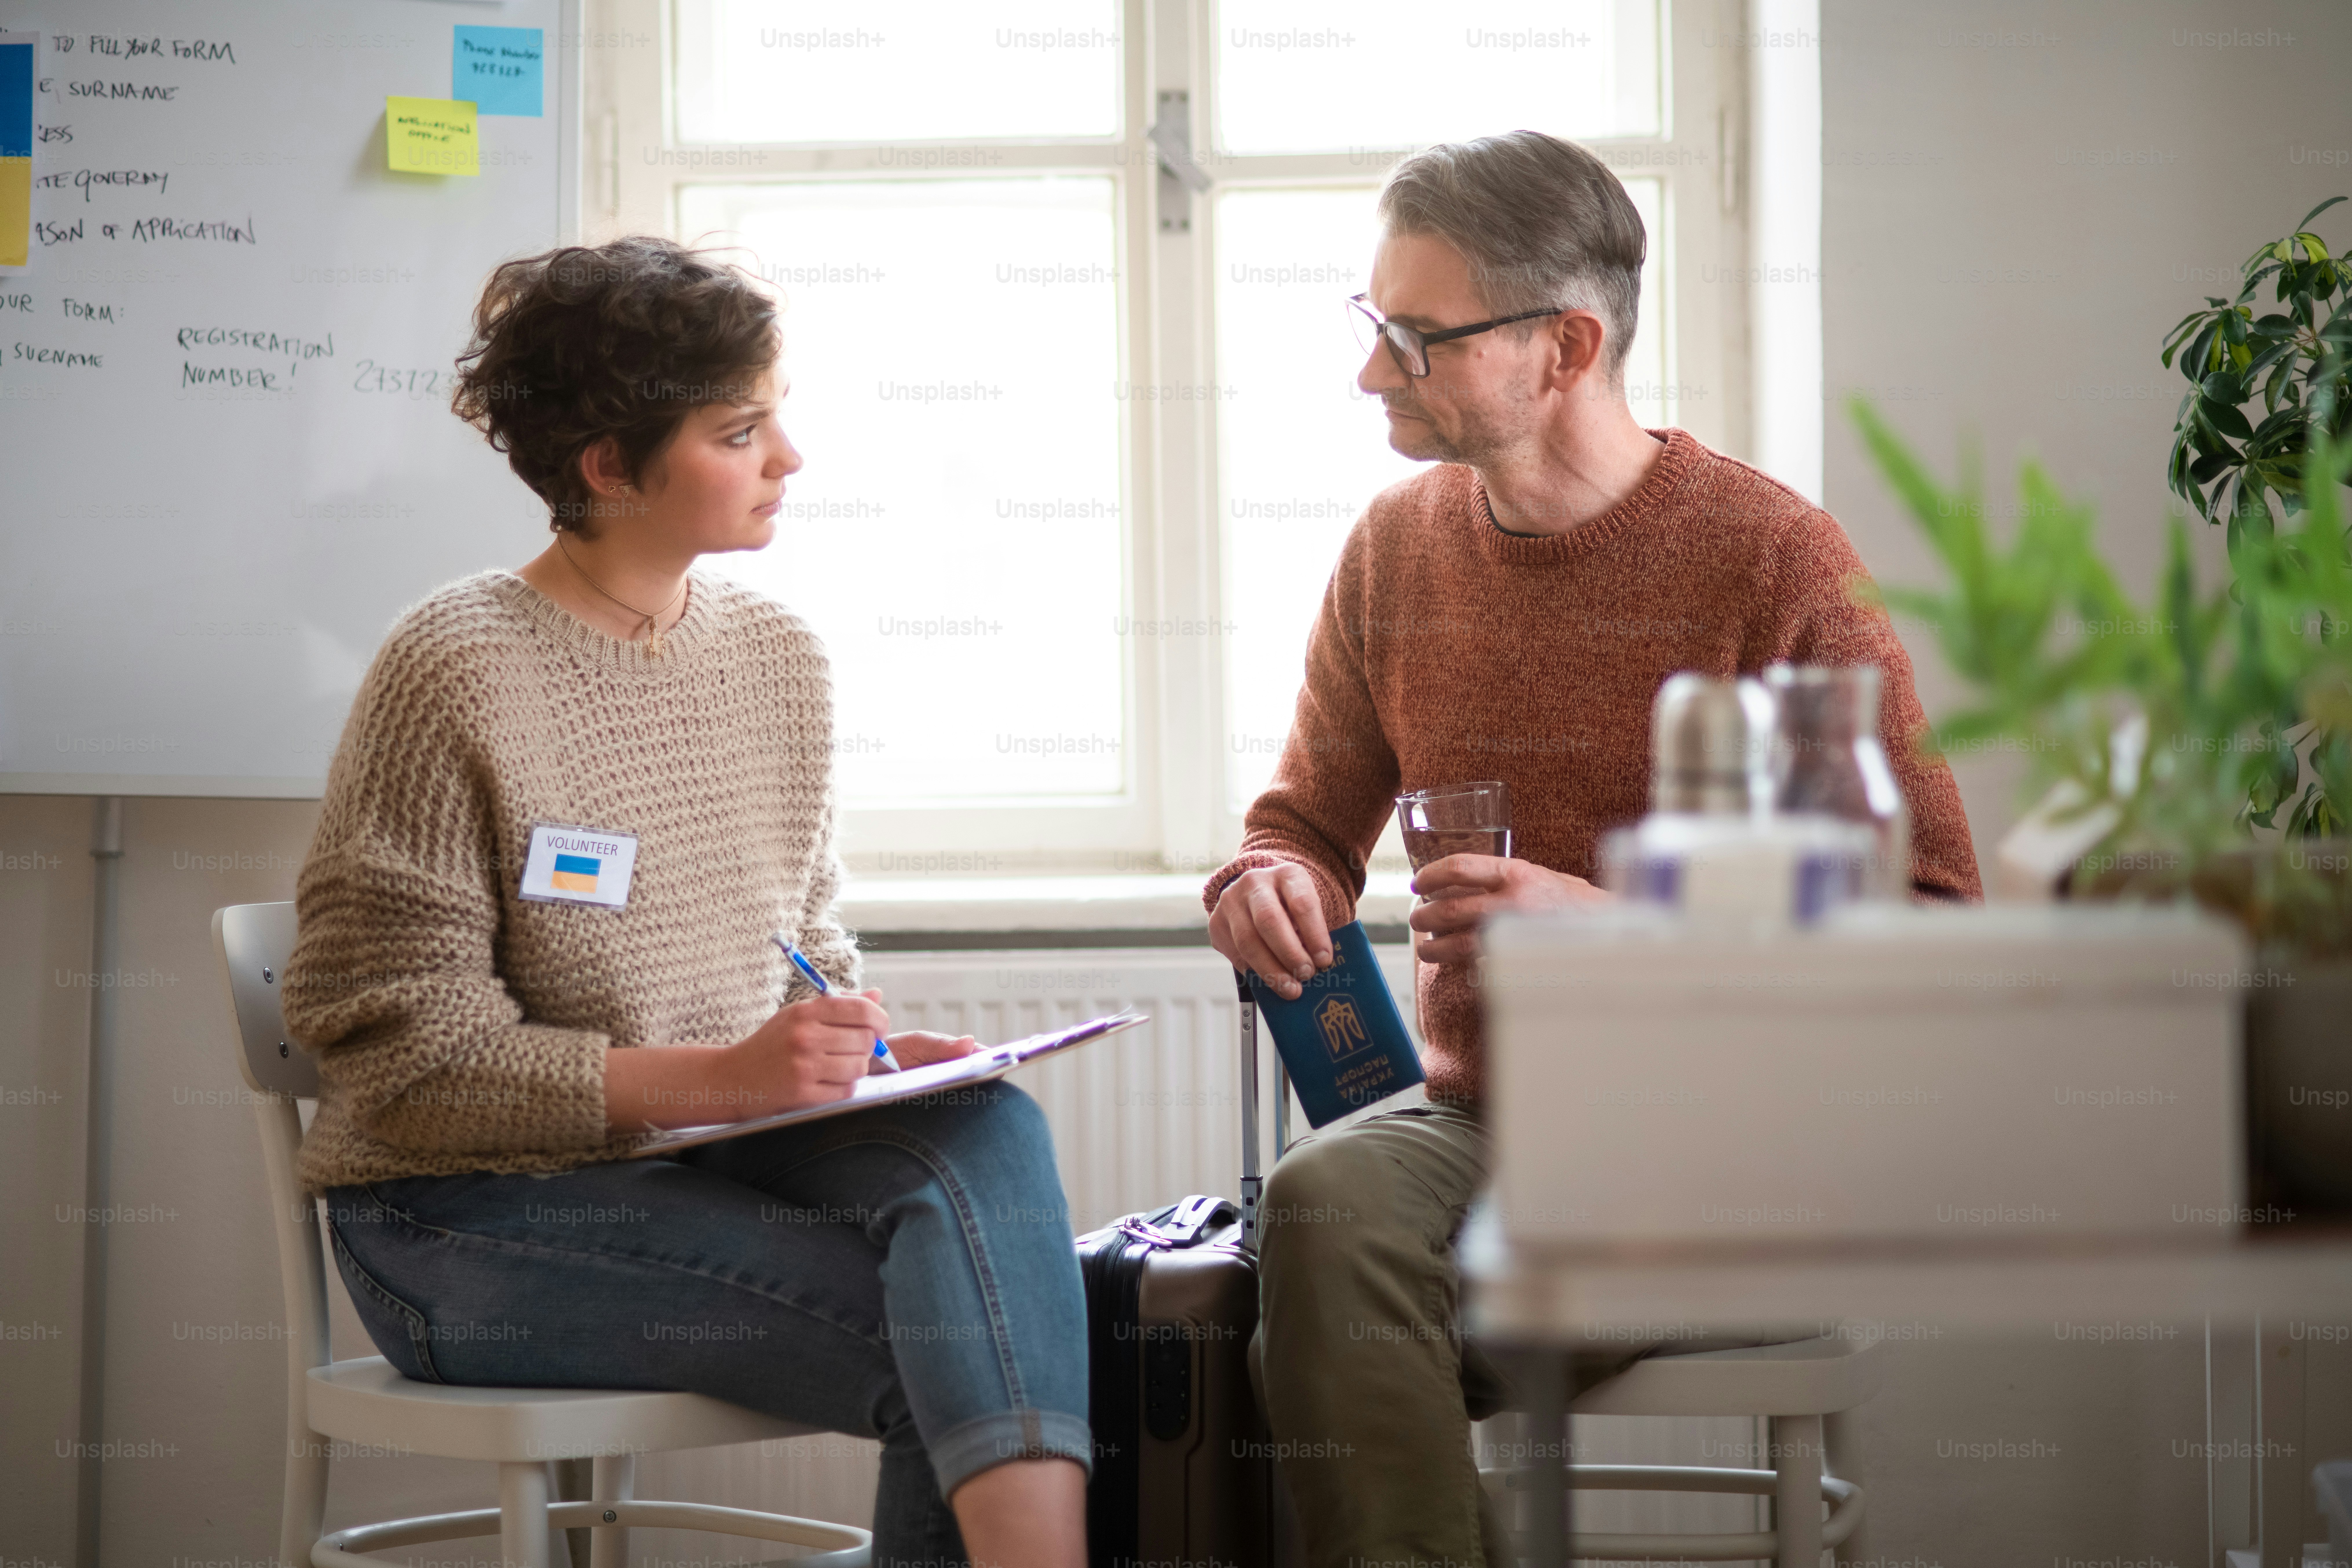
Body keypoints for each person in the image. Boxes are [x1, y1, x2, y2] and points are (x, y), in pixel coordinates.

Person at [1203, 131, 1982, 1568]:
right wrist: (1273, 884)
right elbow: (1304, 824)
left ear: (1564, 346)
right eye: (1370, 325)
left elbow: (1928, 914)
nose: (1372, 371)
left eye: (1412, 337)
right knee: (1320, 1220)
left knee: (1312, 1344)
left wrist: (1618, 921)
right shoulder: (1394, 551)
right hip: (1488, 1129)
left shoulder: (1772, 562)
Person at [283, 237, 1090, 1568]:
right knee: (979, 1337)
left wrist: (861, 1049)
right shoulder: (455, 668)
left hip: (693, 1172)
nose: (790, 457)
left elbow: (798, 938)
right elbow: (415, 1070)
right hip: (460, 1220)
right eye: (741, 429)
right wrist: (724, 1077)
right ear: (608, 467)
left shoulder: (777, 658)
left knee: (984, 1126)